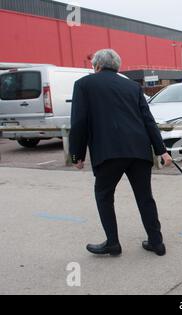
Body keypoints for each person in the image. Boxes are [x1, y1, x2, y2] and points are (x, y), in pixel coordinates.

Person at [69, 49, 172, 257]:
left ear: (96, 66)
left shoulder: (83, 85)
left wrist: (76, 154)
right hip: (139, 150)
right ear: (117, 66)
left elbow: (79, 122)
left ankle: (113, 244)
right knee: (145, 197)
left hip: (109, 152)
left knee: (104, 196)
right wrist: (162, 151)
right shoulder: (132, 86)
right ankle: (156, 243)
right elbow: (148, 120)